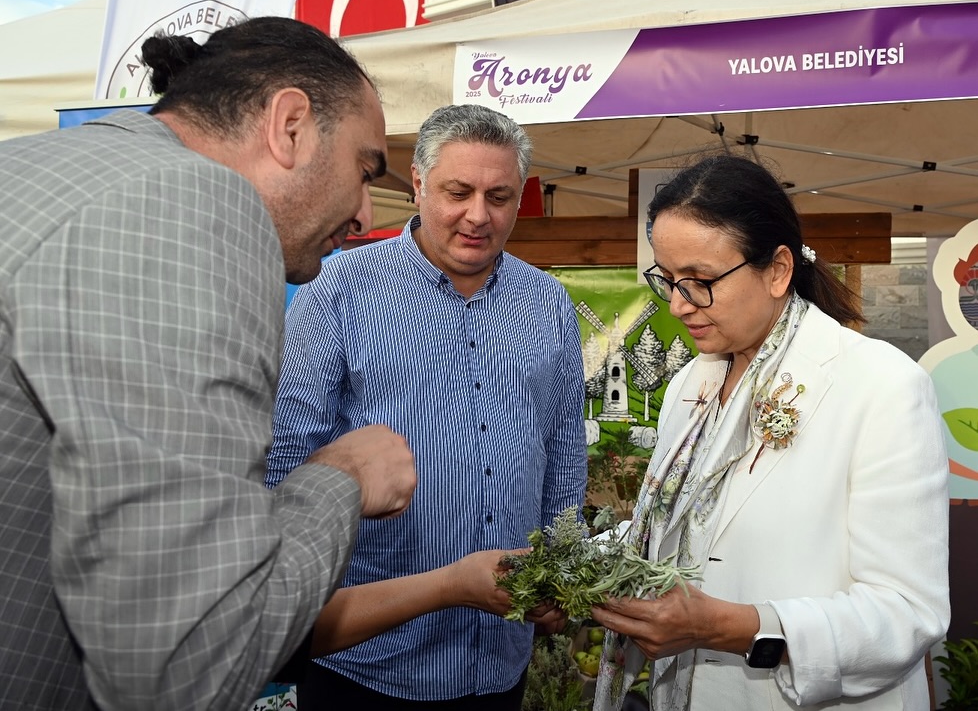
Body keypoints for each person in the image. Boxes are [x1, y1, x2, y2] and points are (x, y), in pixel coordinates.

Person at [0, 17, 417, 711]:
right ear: (290, 126)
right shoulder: (194, 202)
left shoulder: (39, 164)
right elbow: (187, 667)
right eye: (365, 168)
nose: (365, 209)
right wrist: (339, 480)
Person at [590, 154, 950, 710]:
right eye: (667, 280)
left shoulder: (881, 386)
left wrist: (730, 626)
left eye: (702, 281)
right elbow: (671, 527)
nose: (680, 305)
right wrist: (572, 565)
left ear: (778, 270)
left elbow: (906, 613)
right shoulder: (692, 383)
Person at [265, 103, 589, 709]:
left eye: (499, 196)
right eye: (457, 192)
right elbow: (289, 465)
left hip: (499, 657)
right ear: (417, 182)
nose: (478, 215)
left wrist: (560, 574)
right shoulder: (336, 292)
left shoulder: (547, 303)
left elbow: (563, 454)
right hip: (365, 661)